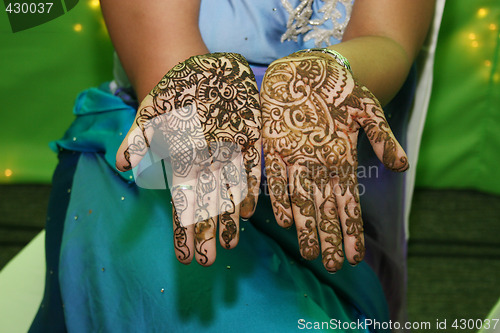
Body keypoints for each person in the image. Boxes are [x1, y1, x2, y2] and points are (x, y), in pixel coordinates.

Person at [29, 1, 435, 332]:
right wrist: (208, 94)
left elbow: (388, 40)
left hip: (325, 176)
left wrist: (322, 79)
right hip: (162, 156)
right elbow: (166, 65)